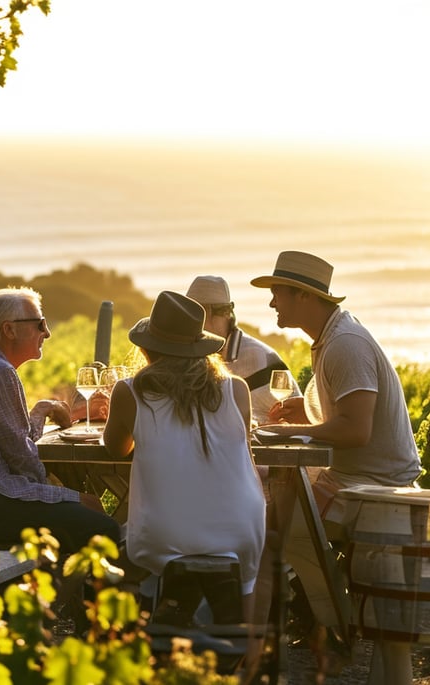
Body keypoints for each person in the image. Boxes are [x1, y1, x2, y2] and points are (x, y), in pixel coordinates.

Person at [250, 250, 420, 671]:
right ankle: (327, 623)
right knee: (277, 518)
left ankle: (322, 631)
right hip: (352, 475)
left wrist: (293, 433)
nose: (271, 303)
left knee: (274, 529)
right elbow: (346, 424)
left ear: (304, 296)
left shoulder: (345, 345)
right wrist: (307, 419)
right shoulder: (332, 337)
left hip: (374, 488)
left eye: (278, 294)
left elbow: (357, 431)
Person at [101, 291, 266, 619]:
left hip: (165, 535)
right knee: (257, 557)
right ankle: (242, 648)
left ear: (146, 349)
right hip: (240, 532)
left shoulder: (130, 391)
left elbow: (115, 448)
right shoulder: (236, 390)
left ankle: (141, 629)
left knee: (115, 550)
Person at [0, 286, 120, 555]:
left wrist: (43, 410)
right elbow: (24, 460)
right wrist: (52, 491)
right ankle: (86, 594)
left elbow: (14, 437)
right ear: (9, 330)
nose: (46, 333)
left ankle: (71, 591)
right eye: (40, 324)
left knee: (86, 506)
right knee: (102, 525)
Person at [185, 275, 300, 418]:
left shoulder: (259, 358)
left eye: (199, 315)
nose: (192, 323)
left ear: (226, 313)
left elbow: (293, 415)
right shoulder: (190, 351)